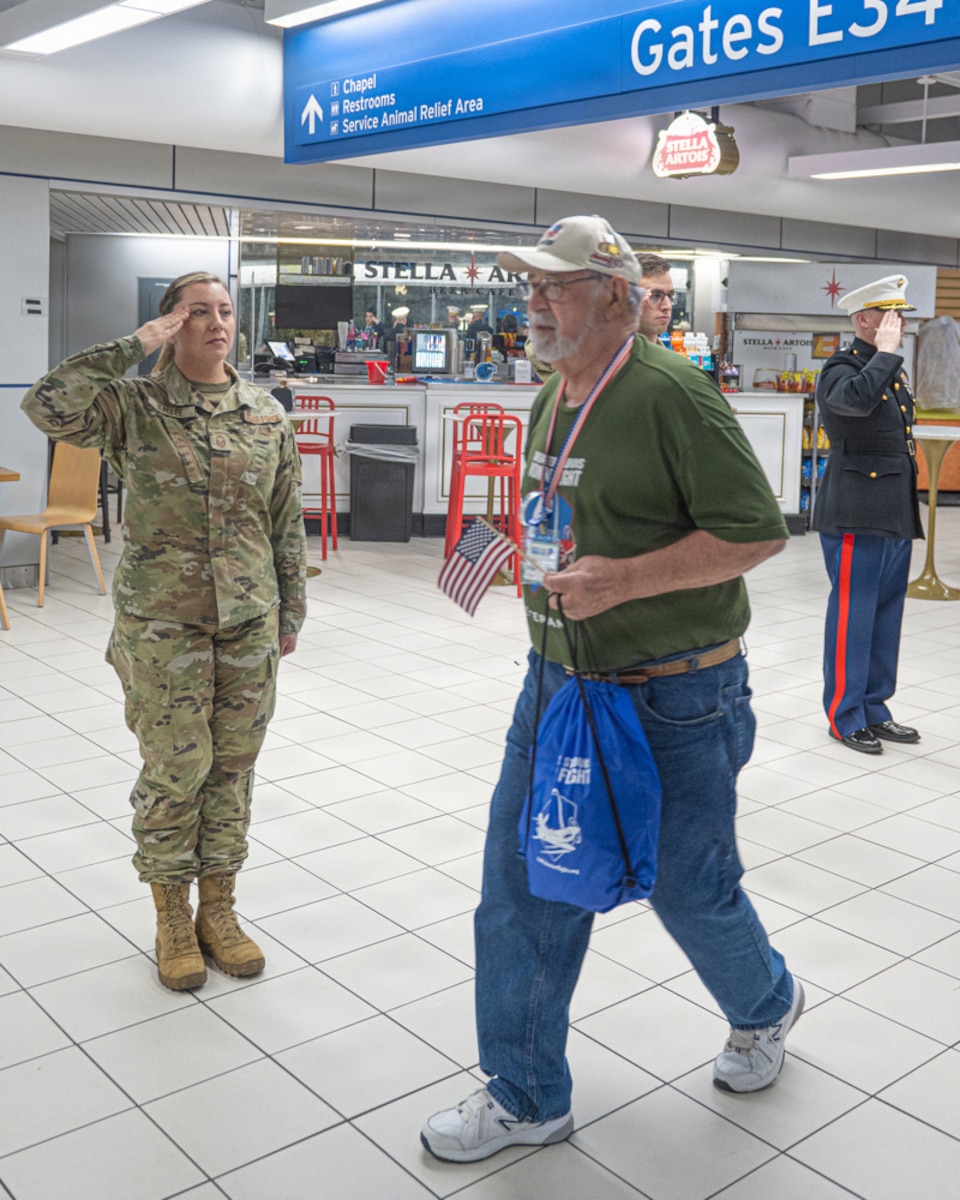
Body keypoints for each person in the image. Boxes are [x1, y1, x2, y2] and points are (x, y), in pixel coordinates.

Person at [421, 215, 802, 1163]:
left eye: (556, 285)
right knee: (522, 891)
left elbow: (756, 534)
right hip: (557, 687)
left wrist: (624, 581)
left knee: (690, 889)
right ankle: (526, 1095)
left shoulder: (676, 395)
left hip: (675, 697)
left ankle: (766, 1002)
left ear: (619, 297)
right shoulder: (555, 392)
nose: (535, 302)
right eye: (531, 287)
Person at [21, 271, 307, 991]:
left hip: (248, 620)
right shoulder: (132, 404)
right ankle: (171, 914)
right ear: (171, 324)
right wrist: (133, 345)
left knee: (234, 770)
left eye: (223, 312)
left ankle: (220, 908)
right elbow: (45, 406)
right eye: (195, 313)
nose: (214, 323)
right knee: (178, 769)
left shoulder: (265, 413)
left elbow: (284, 519)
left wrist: (291, 610)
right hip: (162, 626)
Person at [812, 274, 923, 754]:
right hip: (857, 508)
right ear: (863, 320)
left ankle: (875, 707)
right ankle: (844, 713)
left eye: (900, 314)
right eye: (889, 314)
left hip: (893, 505)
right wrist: (886, 353)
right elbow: (852, 403)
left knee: (885, 612)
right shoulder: (840, 368)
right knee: (854, 613)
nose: (897, 323)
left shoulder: (888, 370)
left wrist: (887, 358)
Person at [636, 251, 677, 344]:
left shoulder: (669, 358)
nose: (667, 306)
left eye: (670, 295)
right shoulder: (602, 357)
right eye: (656, 296)